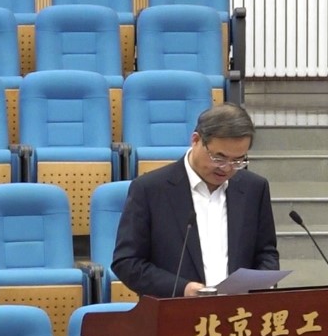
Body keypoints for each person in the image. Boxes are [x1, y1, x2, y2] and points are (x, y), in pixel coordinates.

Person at [112, 103, 279, 298]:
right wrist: (182, 289)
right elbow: (127, 262)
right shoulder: (150, 189)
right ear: (196, 140)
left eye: (237, 160)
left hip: (238, 311)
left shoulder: (254, 188)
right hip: (176, 309)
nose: (226, 168)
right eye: (219, 158)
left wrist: (258, 286)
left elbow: (266, 254)